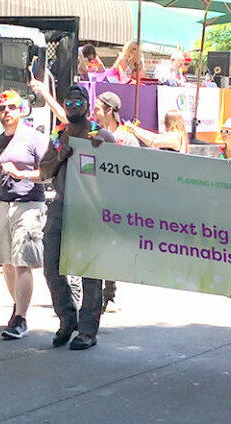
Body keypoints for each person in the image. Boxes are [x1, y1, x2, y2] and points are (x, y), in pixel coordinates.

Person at [39, 85, 115, 350]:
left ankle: (87, 330)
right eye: (68, 102)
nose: (73, 106)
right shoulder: (59, 136)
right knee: (51, 266)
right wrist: (60, 157)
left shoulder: (99, 134)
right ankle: (67, 318)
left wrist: (100, 147)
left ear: (87, 104)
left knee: (89, 271)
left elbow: (114, 166)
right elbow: (43, 172)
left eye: (78, 101)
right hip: (60, 206)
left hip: (88, 210)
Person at [0, 90, 49, 339]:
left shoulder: (34, 138)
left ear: (21, 110)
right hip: (2, 205)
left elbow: (47, 172)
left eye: (11, 108)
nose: (6, 113)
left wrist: (21, 174)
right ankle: (18, 307)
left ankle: (20, 318)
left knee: (23, 262)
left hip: (28, 205)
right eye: (2, 109)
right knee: (6, 262)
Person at [92, 91, 138, 311]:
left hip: (116, 202)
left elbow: (138, 169)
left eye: (98, 108)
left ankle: (109, 293)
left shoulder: (127, 139)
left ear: (109, 111)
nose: (93, 111)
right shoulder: (91, 134)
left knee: (110, 247)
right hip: (93, 199)